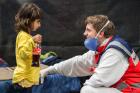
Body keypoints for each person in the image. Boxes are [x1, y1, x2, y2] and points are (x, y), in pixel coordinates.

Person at [40, 15, 140, 93]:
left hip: (132, 90)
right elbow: (76, 63)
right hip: (122, 88)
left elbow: (98, 80)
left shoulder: (114, 53)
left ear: (100, 33)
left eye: (88, 30)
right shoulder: (102, 48)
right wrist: (49, 70)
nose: (84, 33)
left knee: (88, 90)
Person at [8, 3, 42, 93]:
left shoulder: (28, 37)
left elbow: (34, 60)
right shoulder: (23, 36)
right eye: (38, 21)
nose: (40, 25)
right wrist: (32, 41)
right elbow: (23, 54)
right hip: (22, 81)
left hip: (28, 80)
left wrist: (37, 47)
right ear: (29, 21)